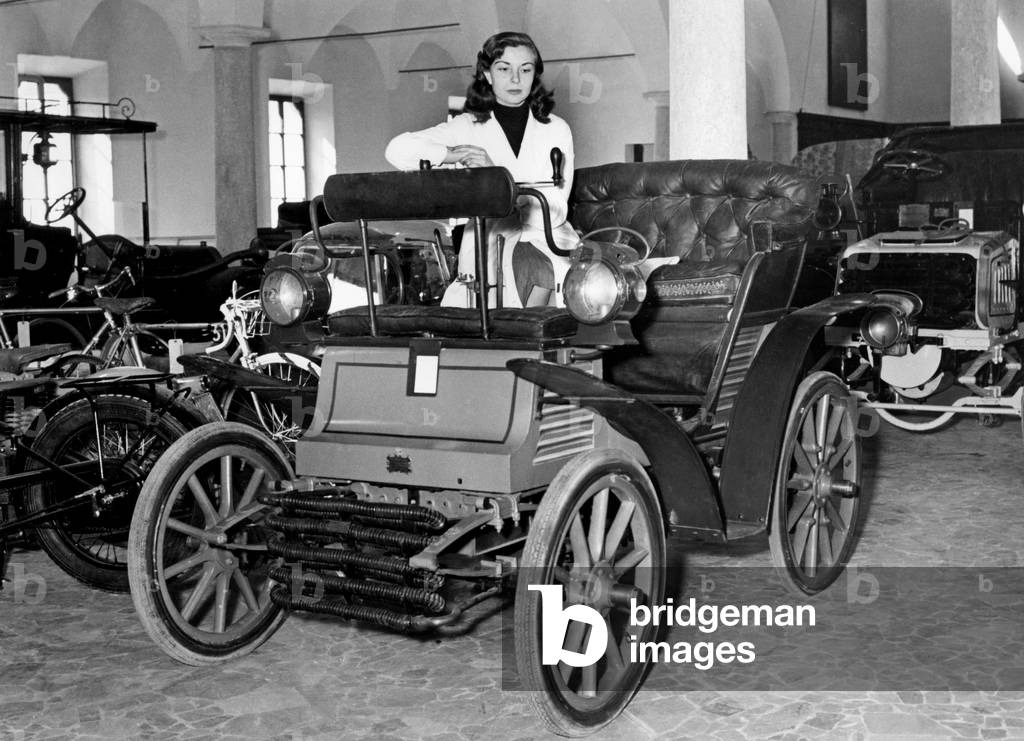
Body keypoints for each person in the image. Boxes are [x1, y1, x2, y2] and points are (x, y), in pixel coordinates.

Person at [385, 31, 578, 308]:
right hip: (485, 246)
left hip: (546, 241)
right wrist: (450, 154)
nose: (515, 79)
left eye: (525, 70)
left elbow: (555, 211)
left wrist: (497, 176)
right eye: (504, 69)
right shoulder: (468, 126)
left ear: (534, 75)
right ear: (487, 74)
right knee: (476, 318)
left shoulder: (556, 129)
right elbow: (397, 149)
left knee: (536, 278)